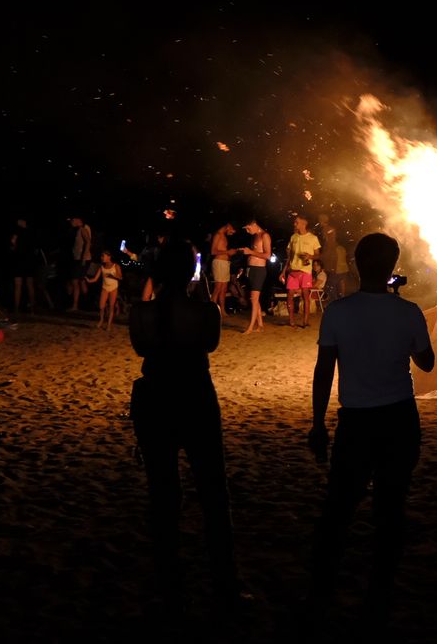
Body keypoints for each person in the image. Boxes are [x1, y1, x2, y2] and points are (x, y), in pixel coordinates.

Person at [306, 233, 435, 626]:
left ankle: (323, 586)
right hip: (399, 419)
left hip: (355, 422)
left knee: (340, 505)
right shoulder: (409, 311)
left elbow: (324, 371)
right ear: (393, 268)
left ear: (358, 265)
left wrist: (316, 424)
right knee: (391, 505)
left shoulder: (338, 312)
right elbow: (427, 363)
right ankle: (381, 588)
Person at [128, 239, 249, 611]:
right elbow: (209, 345)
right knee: (213, 492)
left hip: (154, 399)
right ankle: (224, 582)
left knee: (163, 493)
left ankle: (169, 580)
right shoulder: (207, 312)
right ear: (191, 272)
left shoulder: (140, 313)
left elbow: (142, 349)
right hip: (195, 396)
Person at [285, 215, 321, 328]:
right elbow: (289, 255)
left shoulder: (313, 238)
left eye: (297, 222)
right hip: (293, 270)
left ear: (303, 224)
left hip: (305, 271)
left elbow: (318, 255)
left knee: (305, 296)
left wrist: (309, 256)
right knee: (289, 295)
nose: (294, 224)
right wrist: (285, 269)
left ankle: (305, 321)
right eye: (295, 222)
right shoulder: (293, 237)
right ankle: (291, 321)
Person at [240, 219, 271, 334]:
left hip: (259, 270)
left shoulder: (265, 235)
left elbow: (267, 255)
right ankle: (260, 325)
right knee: (254, 298)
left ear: (254, 224)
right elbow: (254, 252)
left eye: (248, 228)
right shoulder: (255, 236)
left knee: (254, 299)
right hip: (251, 269)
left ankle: (250, 327)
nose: (247, 231)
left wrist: (251, 252)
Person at [85, 251, 122, 332]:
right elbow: (95, 279)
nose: (102, 258)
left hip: (113, 288)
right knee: (101, 306)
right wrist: (88, 280)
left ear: (109, 257)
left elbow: (120, 277)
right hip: (105, 288)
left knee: (111, 307)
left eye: (103, 256)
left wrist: (113, 275)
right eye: (101, 256)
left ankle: (109, 325)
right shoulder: (101, 267)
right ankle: (101, 320)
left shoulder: (116, 266)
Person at [209, 223, 238, 311]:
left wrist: (230, 253)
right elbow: (213, 251)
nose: (233, 233)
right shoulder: (218, 235)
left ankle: (222, 310)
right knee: (218, 288)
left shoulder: (223, 236)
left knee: (224, 289)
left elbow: (224, 251)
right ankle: (211, 310)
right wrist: (227, 252)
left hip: (225, 264)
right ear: (229, 226)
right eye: (233, 230)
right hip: (219, 263)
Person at [68, 217, 94, 312]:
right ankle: (85, 304)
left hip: (82, 259)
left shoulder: (83, 229)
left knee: (76, 281)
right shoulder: (81, 229)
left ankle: (77, 305)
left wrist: (83, 258)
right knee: (80, 281)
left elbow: (88, 242)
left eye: (72, 221)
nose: (71, 223)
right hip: (79, 259)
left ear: (77, 220)